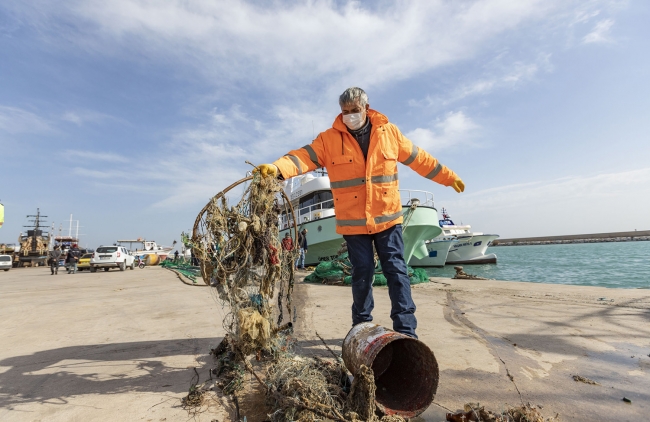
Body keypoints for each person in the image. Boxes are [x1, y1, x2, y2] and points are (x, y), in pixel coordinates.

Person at [256, 87, 464, 338]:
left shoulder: (390, 133)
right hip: (354, 223)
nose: (350, 116)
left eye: (355, 111)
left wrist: (448, 177)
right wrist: (277, 168)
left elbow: (420, 159)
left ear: (366, 108)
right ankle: (361, 327)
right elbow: (302, 157)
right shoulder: (328, 139)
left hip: (387, 218)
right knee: (361, 273)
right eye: (345, 112)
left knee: (396, 271)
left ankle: (406, 331)